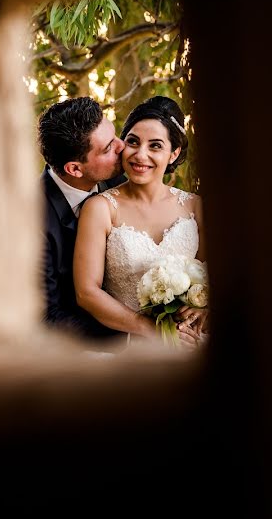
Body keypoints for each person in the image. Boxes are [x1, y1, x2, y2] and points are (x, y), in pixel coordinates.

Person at [74, 96, 208, 349]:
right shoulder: (100, 208)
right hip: (130, 343)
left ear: (174, 153)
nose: (140, 154)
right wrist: (154, 332)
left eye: (155, 146)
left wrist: (204, 309)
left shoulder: (195, 206)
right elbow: (87, 293)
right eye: (133, 142)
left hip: (192, 340)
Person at [38, 97, 127, 341]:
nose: (122, 146)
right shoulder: (32, 220)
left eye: (115, 135)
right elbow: (47, 317)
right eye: (108, 148)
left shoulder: (119, 179)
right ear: (75, 169)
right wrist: (132, 335)